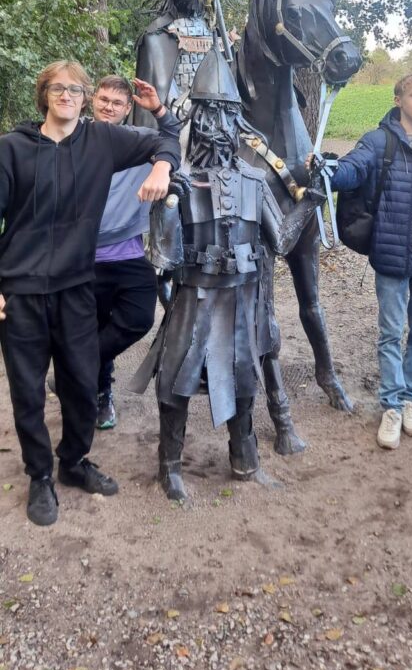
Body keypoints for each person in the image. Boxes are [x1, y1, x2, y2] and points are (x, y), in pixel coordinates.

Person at [129, 40, 324, 501]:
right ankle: (170, 467)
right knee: (175, 382)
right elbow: (162, 260)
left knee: (243, 378)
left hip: (242, 298)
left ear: (238, 121)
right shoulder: (179, 180)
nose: (217, 124)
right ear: (196, 119)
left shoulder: (256, 181)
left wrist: (311, 198)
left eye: (225, 114)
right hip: (194, 298)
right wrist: (167, 209)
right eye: (209, 114)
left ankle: (245, 461)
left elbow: (281, 240)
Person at [0, 60, 181, 526]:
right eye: (57, 88)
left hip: (77, 287)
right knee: (27, 392)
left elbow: (167, 137)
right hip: (21, 292)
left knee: (82, 383)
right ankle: (40, 476)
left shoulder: (101, 141)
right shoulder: (11, 149)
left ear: (85, 99)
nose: (67, 95)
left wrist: (161, 167)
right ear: (44, 95)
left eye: (75, 89)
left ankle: (74, 461)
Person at [325, 73, 412, 449]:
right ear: (398, 99)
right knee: (390, 334)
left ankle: (410, 400)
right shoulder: (378, 140)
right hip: (391, 252)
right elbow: (353, 168)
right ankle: (392, 407)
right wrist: (328, 170)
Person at [92, 74, 180, 429]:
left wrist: (158, 109)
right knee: (94, 325)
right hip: (83, 257)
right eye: (103, 100)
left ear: (128, 108)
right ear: (92, 100)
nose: (109, 107)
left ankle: (75, 366)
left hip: (128, 254)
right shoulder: (77, 138)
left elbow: (172, 138)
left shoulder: (139, 143)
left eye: (117, 103)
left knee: (139, 319)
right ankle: (100, 395)